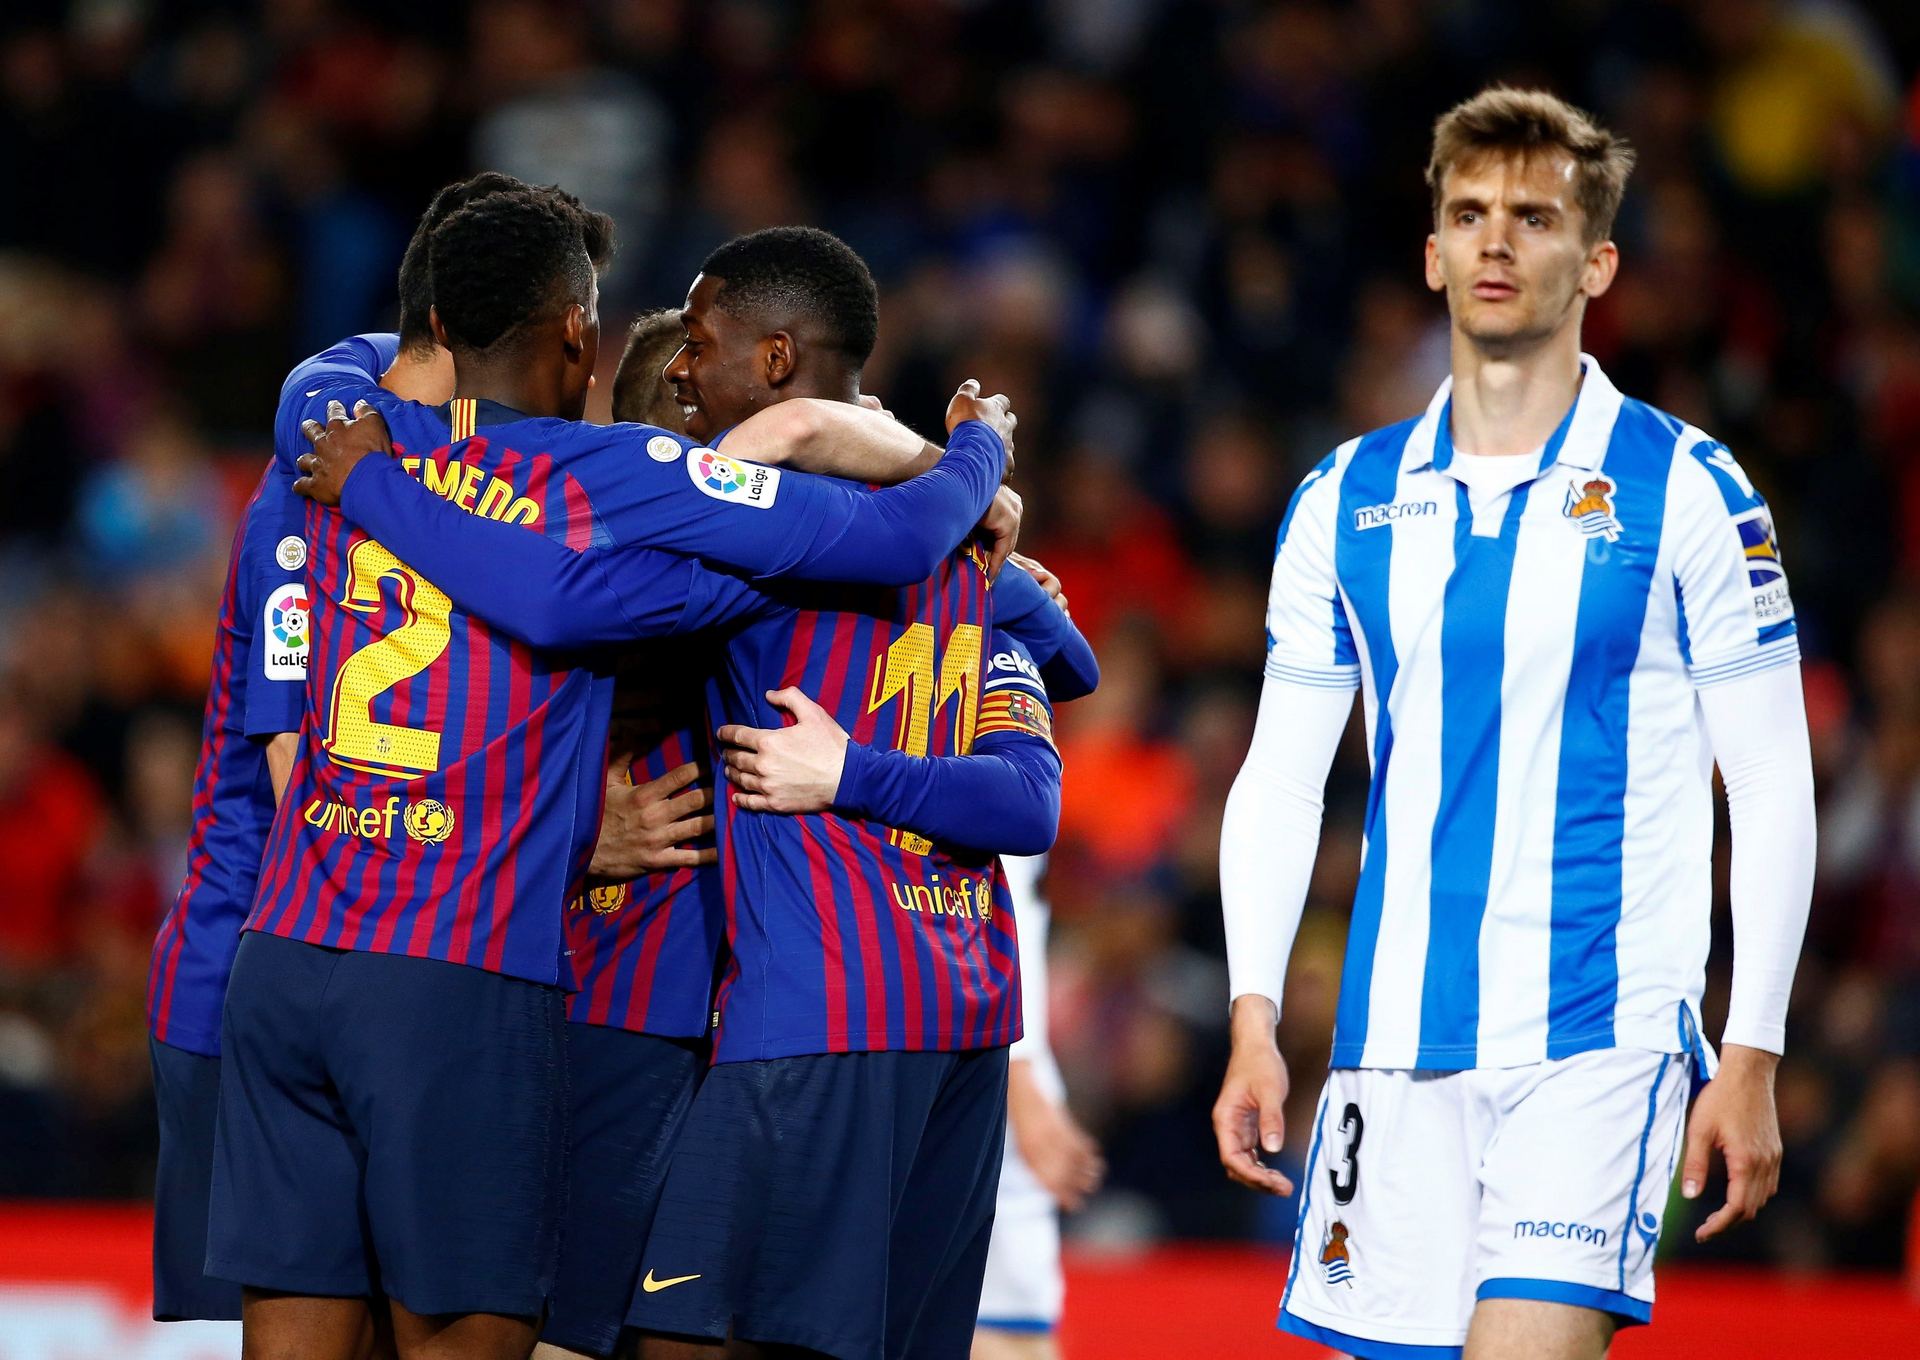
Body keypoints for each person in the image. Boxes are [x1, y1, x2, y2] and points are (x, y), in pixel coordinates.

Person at [209, 184, 1014, 1360]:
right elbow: (886, 544)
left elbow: (324, 390)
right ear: (580, 335)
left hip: (286, 954)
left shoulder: (336, 445)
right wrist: (975, 450)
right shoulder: (615, 476)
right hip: (453, 967)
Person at [1211, 87, 1816, 1360]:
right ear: (1431, 250)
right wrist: (1254, 1013)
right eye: (1470, 214)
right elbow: (1279, 778)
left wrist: (1751, 1047)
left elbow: (1768, 782)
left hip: (1598, 1035)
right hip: (1389, 1043)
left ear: (1595, 262)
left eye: (1534, 218)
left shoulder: (1690, 488)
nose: (1496, 242)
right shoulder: (1344, 499)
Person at [144, 169, 510, 1329]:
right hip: (269, 966)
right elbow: (309, 780)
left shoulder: (443, 478)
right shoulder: (306, 495)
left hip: (371, 967)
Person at [971, 852, 1104, 1360]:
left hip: (998, 1053)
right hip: (988, 1061)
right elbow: (988, 901)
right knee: (1004, 1335)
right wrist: (1021, 1073)